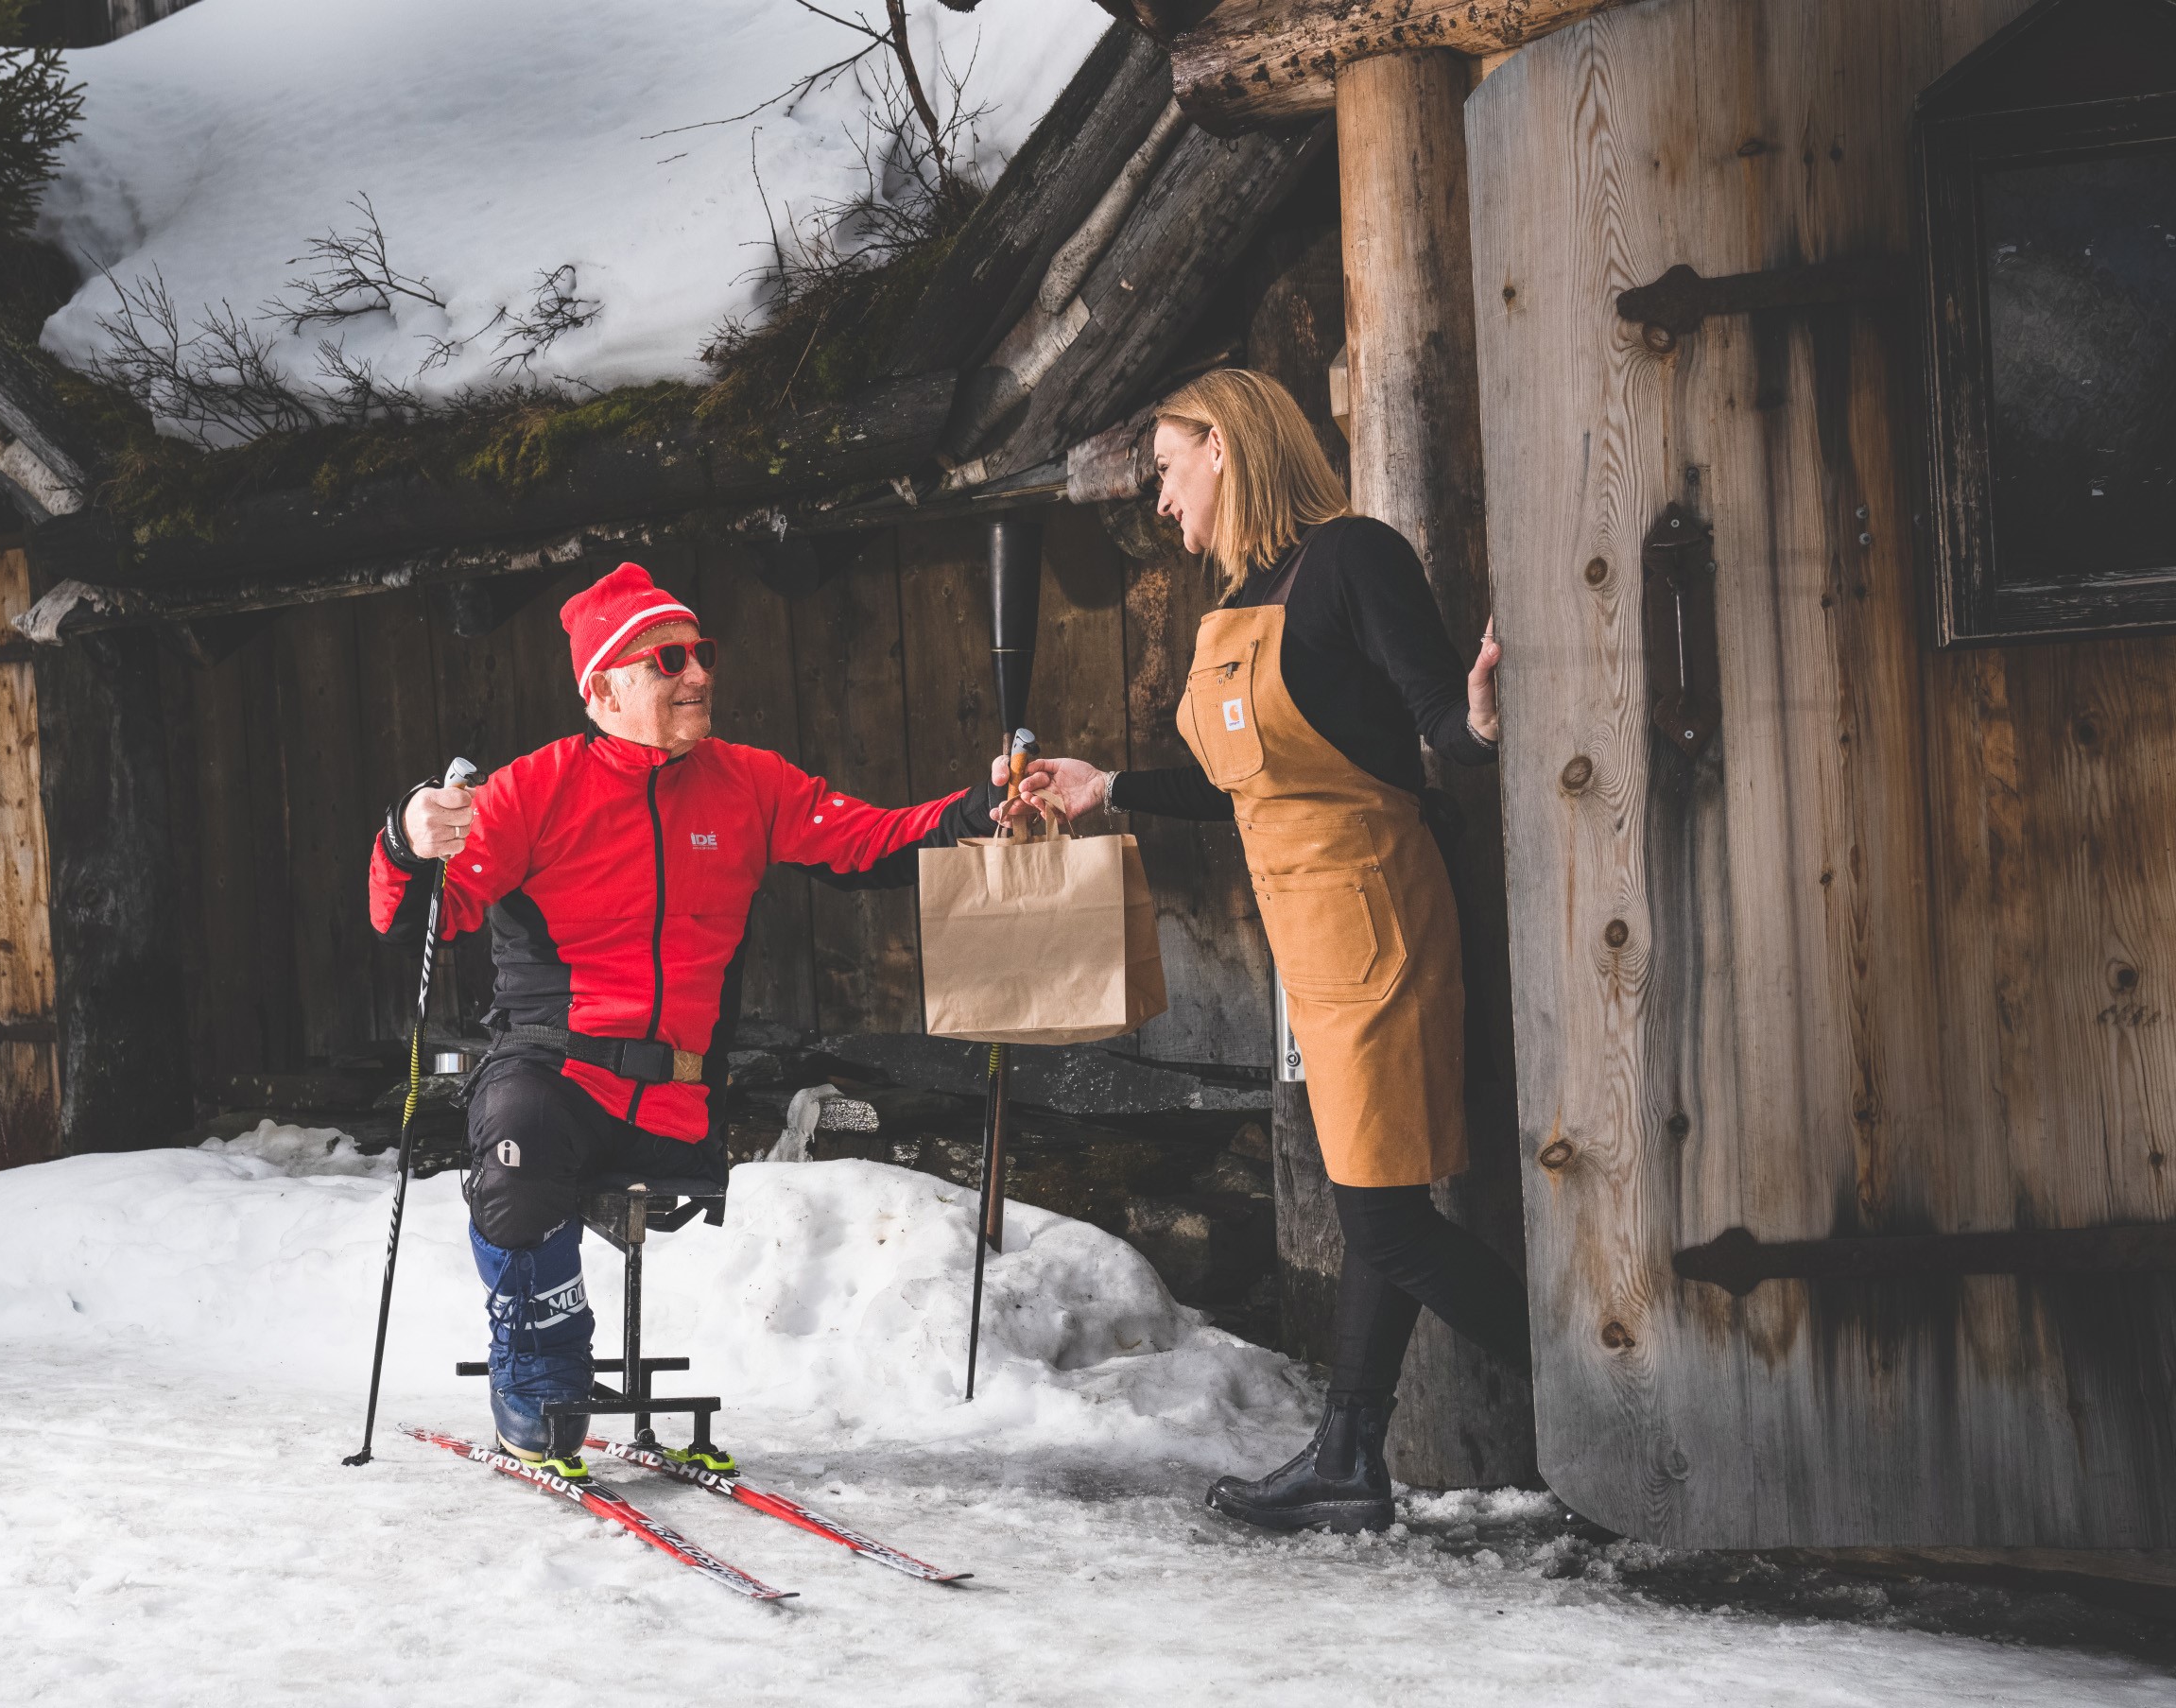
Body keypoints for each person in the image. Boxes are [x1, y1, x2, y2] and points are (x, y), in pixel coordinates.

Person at [1019, 370, 1533, 1535]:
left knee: (1384, 1218)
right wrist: (1107, 786)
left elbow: (1437, 723)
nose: (1161, 500)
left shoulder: (1351, 558)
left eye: (1165, 468)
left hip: (1376, 918)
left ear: (1225, 446)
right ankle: (1349, 1458)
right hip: (1308, 937)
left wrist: (1477, 723)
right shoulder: (1241, 600)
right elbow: (1235, 782)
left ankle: (1586, 1393)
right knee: (1377, 1200)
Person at [368, 562, 1000, 1479]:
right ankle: (539, 1362)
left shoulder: (747, 782)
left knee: (536, 1140)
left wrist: (984, 807)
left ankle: (548, 1349)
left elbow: (868, 842)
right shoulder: (530, 789)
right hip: (555, 1077)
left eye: (701, 653)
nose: (697, 672)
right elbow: (416, 920)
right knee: (515, 1141)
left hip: (674, 1101)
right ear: (603, 689)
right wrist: (405, 835)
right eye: (668, 660)